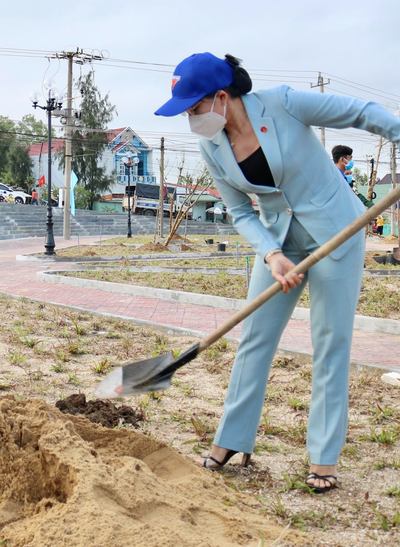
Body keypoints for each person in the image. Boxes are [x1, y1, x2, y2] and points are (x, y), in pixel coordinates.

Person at [155, 52, 400, 494]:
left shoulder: (284, 103)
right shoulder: (211, 145)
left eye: (194, 108)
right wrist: (271, 255)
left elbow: (360, 113)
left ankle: (323, 457)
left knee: (330, 342)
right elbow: (238, 211)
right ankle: (232, 440)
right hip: (278, 241)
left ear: (222, 97)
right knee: (255, 337)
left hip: (337, 233)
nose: (191, 120)